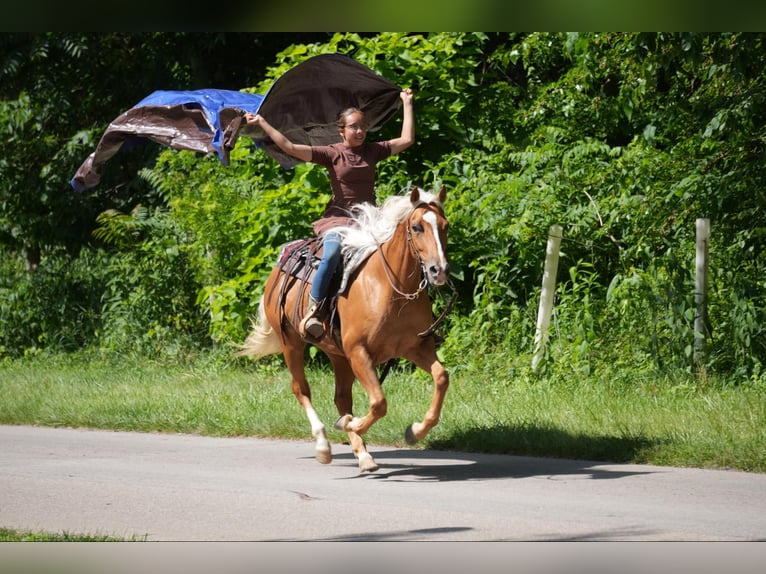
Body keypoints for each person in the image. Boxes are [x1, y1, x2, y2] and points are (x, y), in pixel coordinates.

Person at [245, 88, 415, 339]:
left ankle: (413, 316)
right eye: (354, 127)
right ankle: (313, 311)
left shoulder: (373, 151)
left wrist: (407, 103)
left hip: (369, 220)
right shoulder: (332, 153)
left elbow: (406, 140)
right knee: (333, 252)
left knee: (406, 250)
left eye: (363, 127)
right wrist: (262, 123)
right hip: (339, 220)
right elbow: (290, 146)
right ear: (342, 130)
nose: (360, 131)